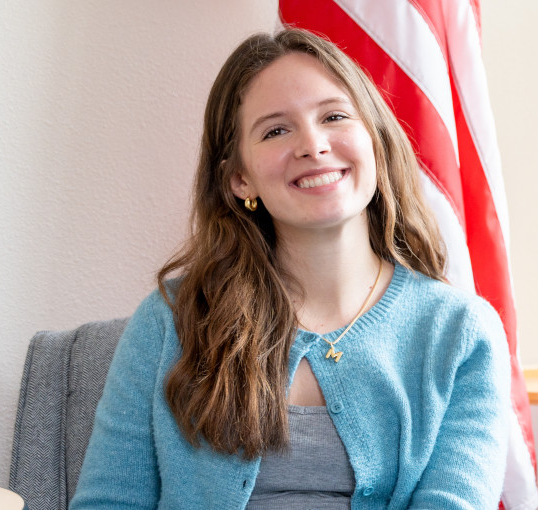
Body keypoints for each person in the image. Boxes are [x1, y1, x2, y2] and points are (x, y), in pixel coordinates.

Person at [71, 28, 509, 509]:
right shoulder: (168, 321)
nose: (313, 145)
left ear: (376, 143)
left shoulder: (463, 334)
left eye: (335, 116)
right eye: (276, 130)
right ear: (240, 179)